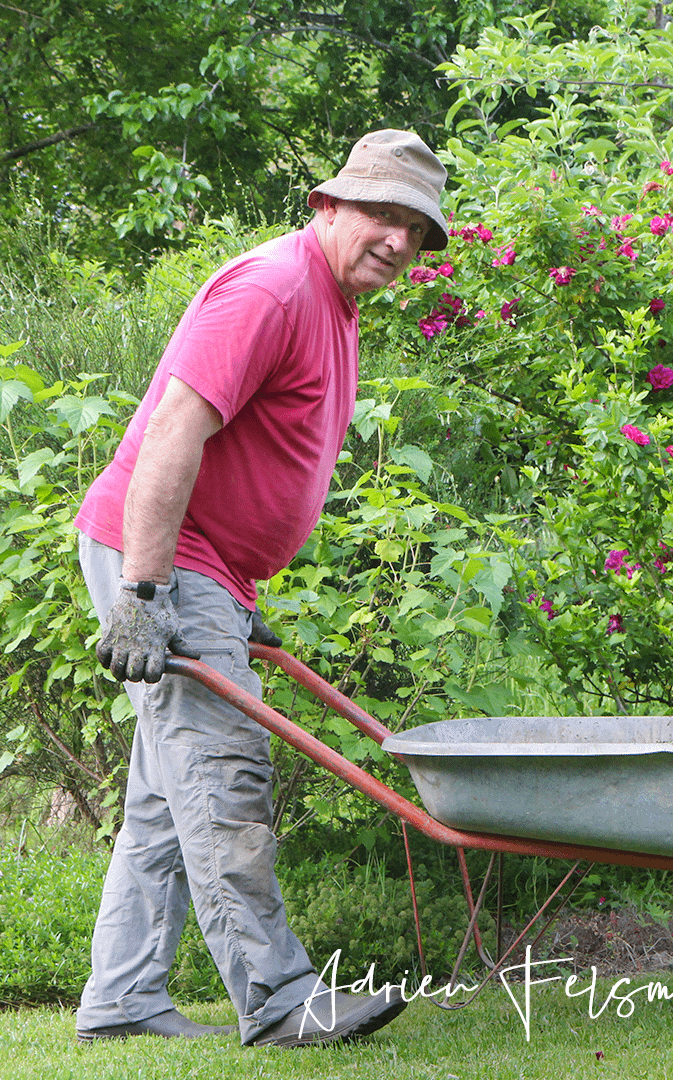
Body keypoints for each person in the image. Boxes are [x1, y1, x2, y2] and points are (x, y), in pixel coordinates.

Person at [72, 130, 449, 1047]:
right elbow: (172, 434)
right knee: (224, 776)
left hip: (210, 570)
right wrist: (150, 594)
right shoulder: (273, 289)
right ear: (328, 206)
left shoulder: (333, 303)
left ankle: (121, 1000)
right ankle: (281, 1001)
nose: (397, 240)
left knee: (170, 797)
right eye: (379, 214)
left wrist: (236, 598)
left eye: (414, 226)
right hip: (164, 556)